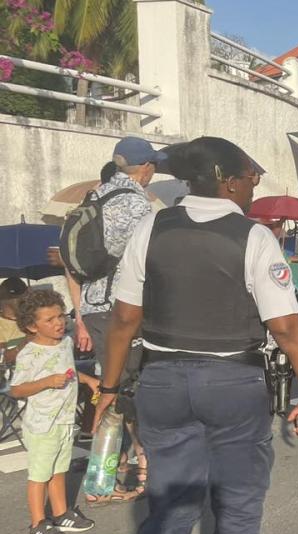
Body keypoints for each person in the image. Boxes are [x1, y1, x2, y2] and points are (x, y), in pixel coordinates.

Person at [101, 137, 298, 534]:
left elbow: (122, 321)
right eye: (250, 175)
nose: (255, 183)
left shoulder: (152, 226)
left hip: (161, 379)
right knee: (238, 506)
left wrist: (109, 389)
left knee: (170, 510)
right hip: (232, 381)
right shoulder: (253, 236)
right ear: (227, 179)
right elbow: (286, 328)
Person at [66, 135, 162, 501]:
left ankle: (110, 470)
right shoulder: (137, 203)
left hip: (93, 307)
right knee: (127, 389)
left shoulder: (95, 196)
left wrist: (79, 313)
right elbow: (146, 259)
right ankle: (141, 470)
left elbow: (72, 264)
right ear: (147, 169)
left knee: (113, 384)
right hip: (122, 308)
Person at [9, 289, 100, 534]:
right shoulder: (30, 353)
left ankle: (61, 513)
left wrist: (89, 380)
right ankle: (38, 522)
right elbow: (16, 389)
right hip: (42, 423)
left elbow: (69, 373)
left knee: (59, 469)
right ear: (31, 326)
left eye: (60, 316)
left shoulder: (65, 344)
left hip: (64, 420)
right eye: (49, 320)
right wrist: (46, 382)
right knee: (40, 474)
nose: (59, 322)